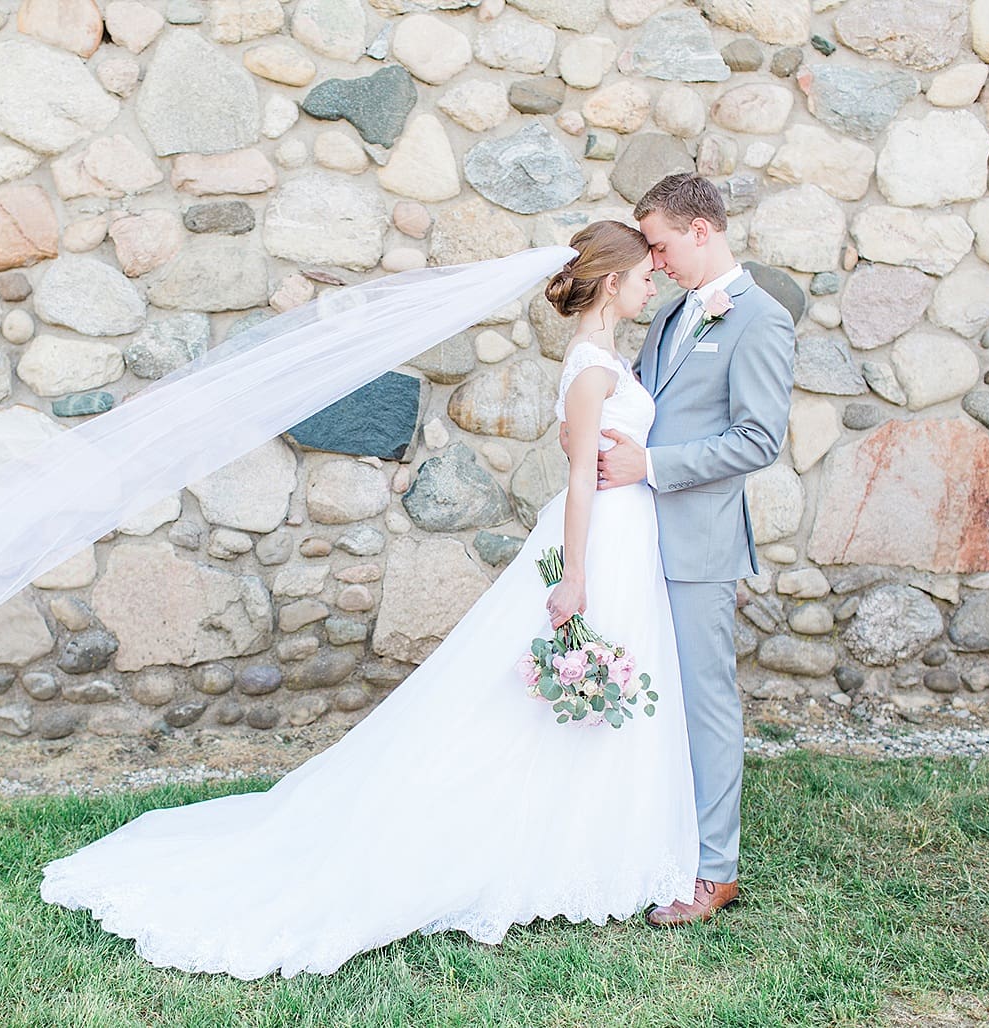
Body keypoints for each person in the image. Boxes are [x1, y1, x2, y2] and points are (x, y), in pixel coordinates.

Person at [38, 220, 702, 979]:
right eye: (645, 272)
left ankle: (592, 837)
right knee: (529, 698)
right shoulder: (591, 369)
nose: (655, 282)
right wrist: (574, 576)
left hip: (624, 536)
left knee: (579, 692)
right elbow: (580, 476)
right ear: (612, 282)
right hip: (598, 542)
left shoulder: (608, 359)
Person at [559, 174, 795, 927]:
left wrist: (650, 467)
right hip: (635, 538)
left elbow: (757, 439)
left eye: (658, 244)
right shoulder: (667, 316)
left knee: (704, 703)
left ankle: (713, 871)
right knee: (649, 698)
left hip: (694, 542)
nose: (651, 262)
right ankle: (645, 841)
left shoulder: (759, 319)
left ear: (701, 230)